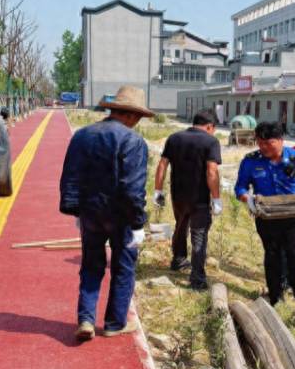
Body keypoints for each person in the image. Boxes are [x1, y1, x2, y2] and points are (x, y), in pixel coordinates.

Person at [60, 85, 151, 342]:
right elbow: (132, 187)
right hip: (120, 215)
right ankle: (114, 323)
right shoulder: (132, 141)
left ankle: (86, 318)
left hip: (90, 212)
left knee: (91, 266)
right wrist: (138, 223)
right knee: (123, 268)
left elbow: (71, 176)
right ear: (132, 115)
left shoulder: (83, 135)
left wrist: (75, 209)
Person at [234, 121, 295, 304]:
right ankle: (276, 294)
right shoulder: (251, 161)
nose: (264, 147)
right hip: (267, 216)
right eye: (260, 143)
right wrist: (247, 199)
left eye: (269, 143)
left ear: (281, 140)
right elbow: (240, 187)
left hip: (293, 216)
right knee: (272, 255)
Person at [154, 109, 223, 290]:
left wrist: (158, 190)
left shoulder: (174, 138)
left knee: (181, 225)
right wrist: (216, 199)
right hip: (199, 197)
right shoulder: (211, 141)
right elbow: (212, 171)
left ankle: (178, 259)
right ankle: (197, 279)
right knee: (199, 234)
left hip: (178, 194)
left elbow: (162, 165)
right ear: (210, 126)